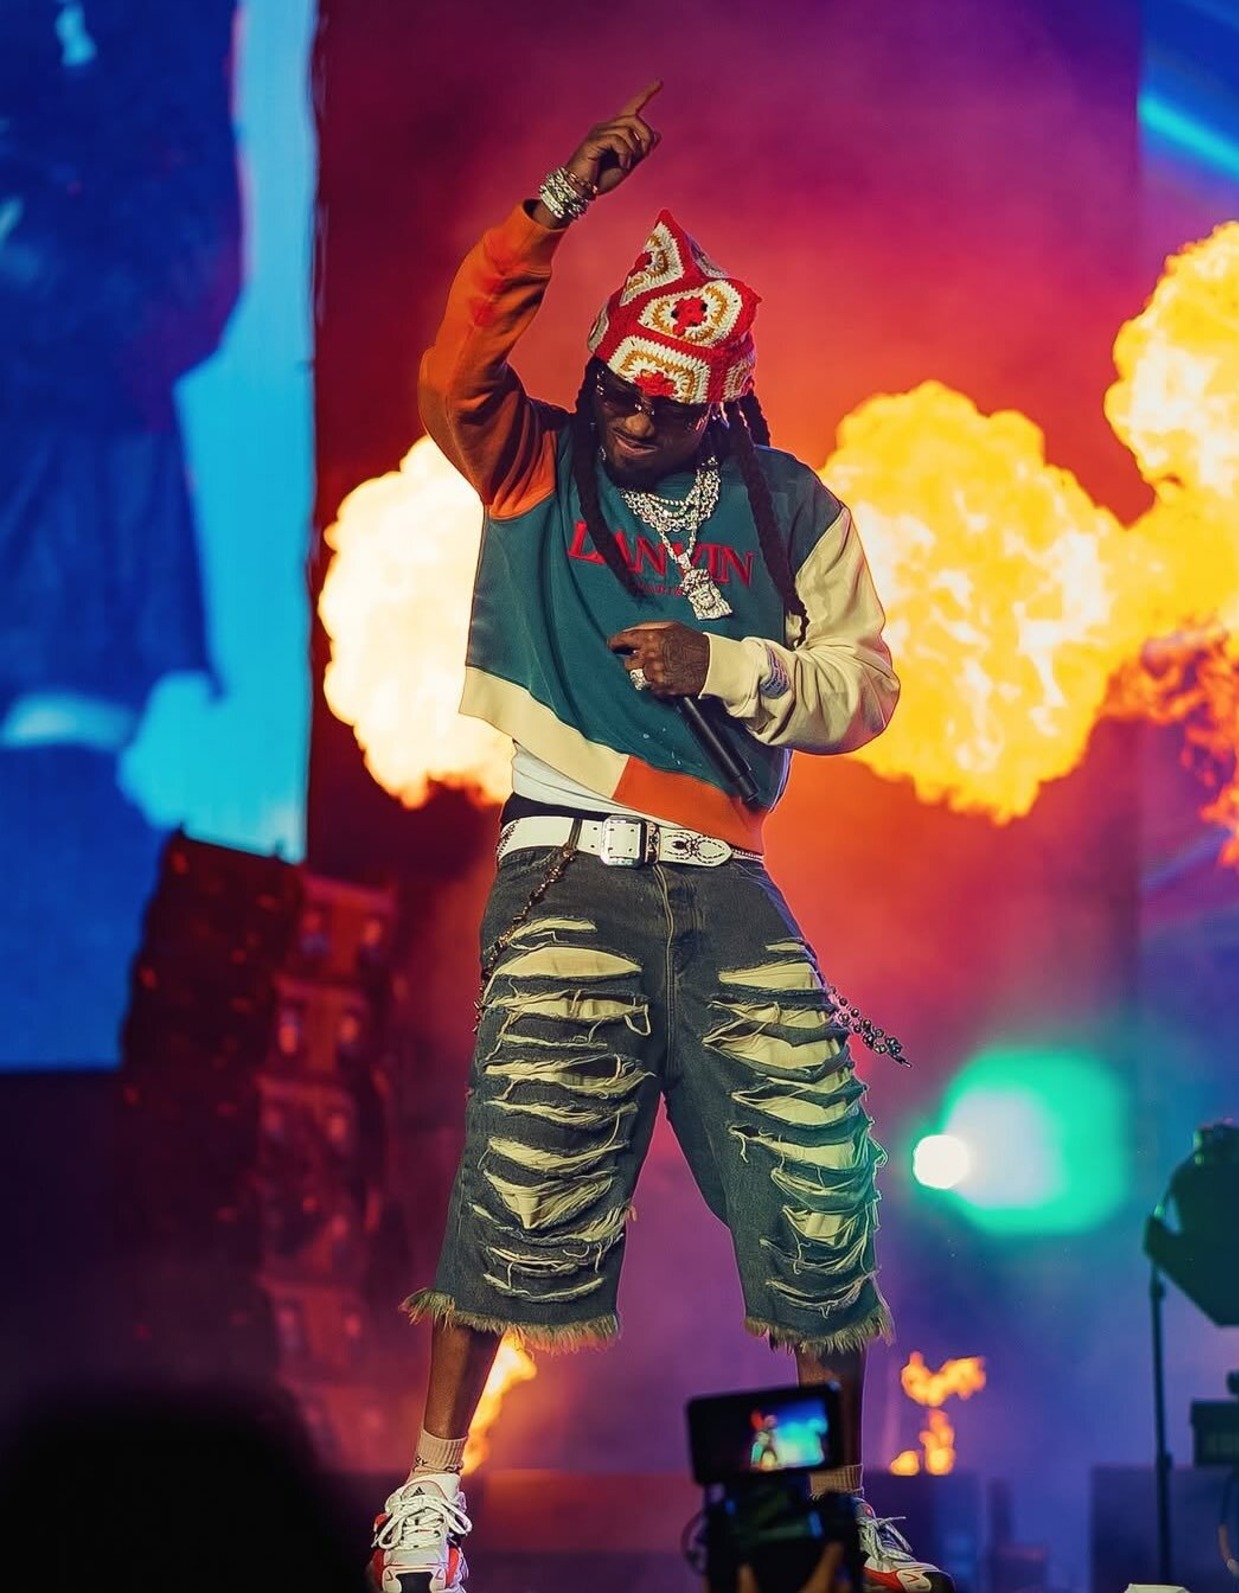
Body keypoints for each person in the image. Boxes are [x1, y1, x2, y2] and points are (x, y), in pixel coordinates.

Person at [369, 83, 952, 1593]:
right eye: (621, 388)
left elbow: (867, 689)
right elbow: (455, 357)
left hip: (727, 881)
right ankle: (427, 1499)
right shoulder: (532, 460)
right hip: (567, 861)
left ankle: (821, 1513)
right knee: (523, 1172)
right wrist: (559, 199)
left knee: (822, 1186)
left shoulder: (791, 509)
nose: (634, 417)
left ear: (724, 402)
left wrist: (732, 667)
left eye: (667, 404)